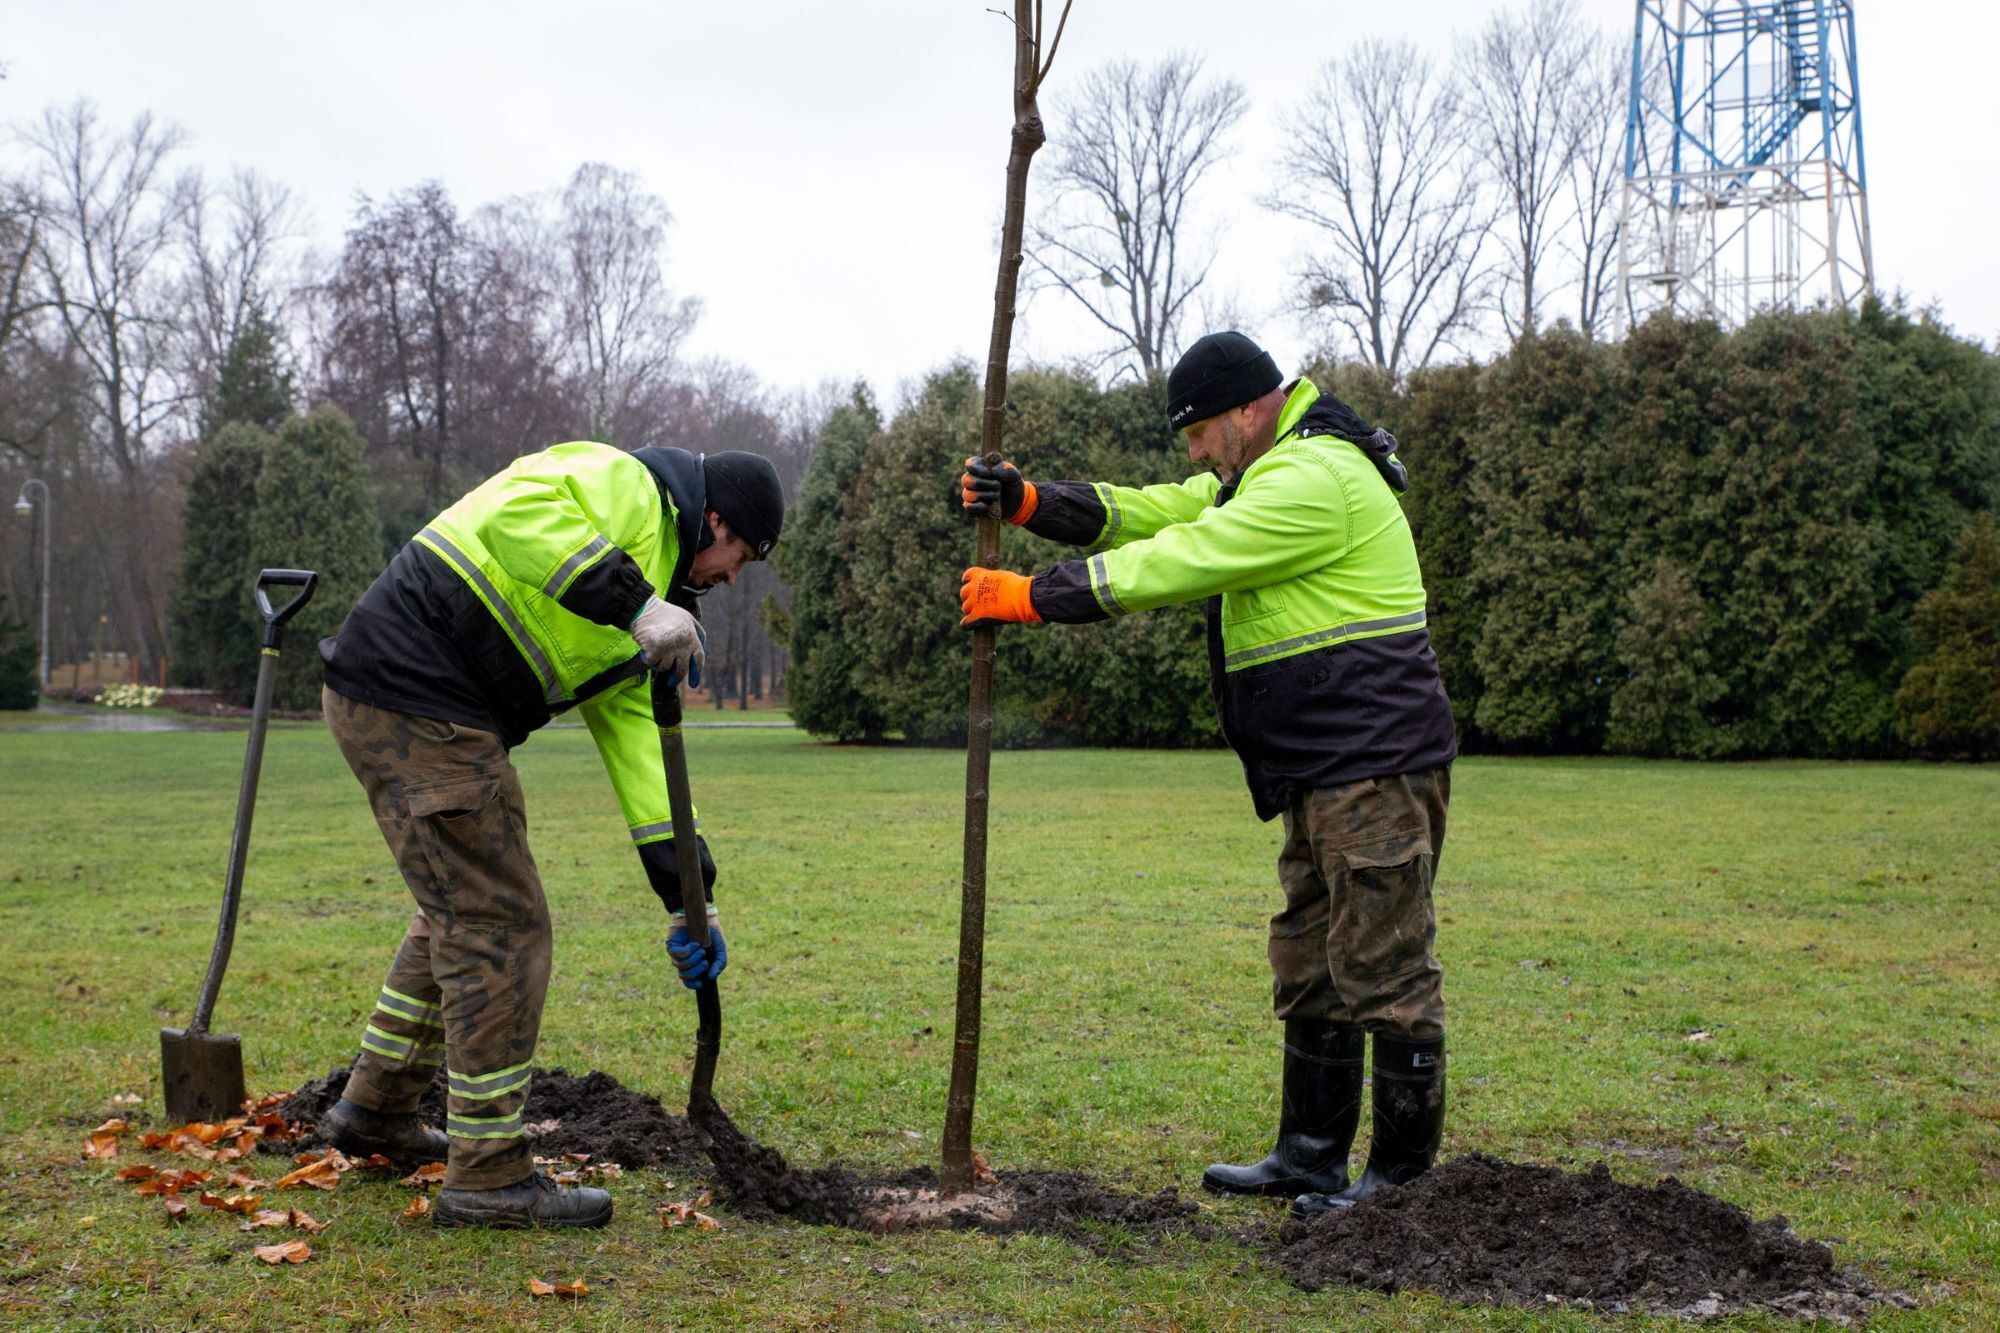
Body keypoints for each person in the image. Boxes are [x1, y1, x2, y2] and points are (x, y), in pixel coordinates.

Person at [955, 332, 1456, 1217]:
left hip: (1373, 764)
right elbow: (1156, 513)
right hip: (1323, 768)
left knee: (1383, 967)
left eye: (1197, 431)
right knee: (1311, 958)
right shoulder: (1265, 472)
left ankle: (1400, 1192)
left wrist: (1036, 594)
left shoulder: (1314, 478)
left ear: (1246, 410)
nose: (1190, 450)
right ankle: (1310, 1156)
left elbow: (1184, 558)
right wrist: (1033, 502)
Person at [313, 441, 784, 1229]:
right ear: (713, 520)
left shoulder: (651, 604)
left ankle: (376, 1110)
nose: (734, 575)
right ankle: (489, 1174)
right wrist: (634, 602)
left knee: (458, 912)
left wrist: (687, 895)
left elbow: (641, 748)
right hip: (416, 688)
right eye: (742, 554)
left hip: (403, 696)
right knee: (500, 922)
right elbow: (513, 513)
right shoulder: (628, 488)